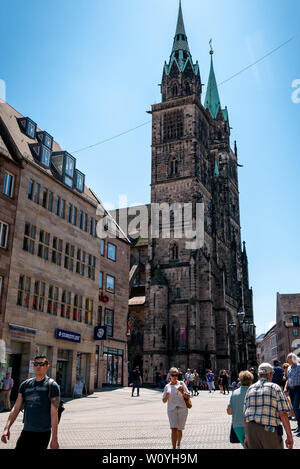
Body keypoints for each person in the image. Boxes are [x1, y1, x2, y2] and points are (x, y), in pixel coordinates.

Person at [1, 355, 60, 450]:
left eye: (41, 364)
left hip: (43, 434)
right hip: (26, 432)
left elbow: (54, 413)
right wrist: (6, 428)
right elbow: (16, 409)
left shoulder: (52, 386)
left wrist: (54, 439)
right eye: (36, 364)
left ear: (47, 367)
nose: (38, 366)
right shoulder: (25, 385)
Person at [244, 362, 293, 450]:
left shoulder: (250, 389)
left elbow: (245, 415)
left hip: (251, 430)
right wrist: (289, 436)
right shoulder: (275, 387)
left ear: (259, 374)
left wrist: (246, 436)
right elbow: (283, 413)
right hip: (268, 431)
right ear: (270, 374)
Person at [162, 367, 190, 449]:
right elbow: (163, 401)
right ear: (169, 376)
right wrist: (166, 396)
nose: (175, 377)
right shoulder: (167, 386)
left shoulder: (181, 384)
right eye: (173, 375)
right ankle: (174, 447)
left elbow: (188, 396)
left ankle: (178, 444)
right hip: (171, 410)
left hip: (182, 409)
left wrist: (182, 392)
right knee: (173, 428)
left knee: (179, 429)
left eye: (176, 375)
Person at [227, 370, 254, 448]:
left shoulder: (234, 393)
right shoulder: (253, 391)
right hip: (251, 425)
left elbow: (229, 411)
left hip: (237, 426)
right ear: (251, 381)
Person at [284, 353, 300, 435]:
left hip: (298, 388)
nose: (287, 360)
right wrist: (285, 388)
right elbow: (287, 379)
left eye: (288, 358)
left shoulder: (299, 366)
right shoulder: (289, 368)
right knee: (294, 408)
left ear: (293, 358)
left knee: (296, 407)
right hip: (291, 390)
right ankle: (298, 425)